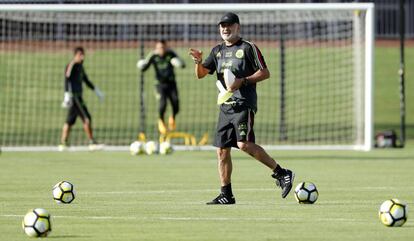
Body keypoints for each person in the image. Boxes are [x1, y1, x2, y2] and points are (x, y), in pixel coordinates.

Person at [189, 12, 294, 205]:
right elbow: (202, 74)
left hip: (243, 104)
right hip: (225, 106)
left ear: (238, 27)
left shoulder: (248, 48)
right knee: (221, 151)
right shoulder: (217, 50)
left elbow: (265, 72)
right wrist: (198, 61)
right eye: (222, 26)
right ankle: (226, 194)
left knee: (243, 144)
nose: (225, 29)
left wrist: (243, 81)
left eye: (229, 25)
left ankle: (281, 173)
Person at [59, 47, 104, 151]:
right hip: (74, 97)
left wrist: (97, 91)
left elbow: (86, 81)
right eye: (80, 55)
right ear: (75, 55)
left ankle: (63, 143)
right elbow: (67, 78)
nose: (82, 57)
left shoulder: (80, 67)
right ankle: (92, 142)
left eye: (83, 55)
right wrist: (66, 95)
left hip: (78, 96)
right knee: (87, 118)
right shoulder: (72, 65)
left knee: (69, 121)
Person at [137, 40, 185, 135]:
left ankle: (172, 117)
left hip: (171, 83)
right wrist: (141, 66)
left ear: (166, 47)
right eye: (159, 48)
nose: (161, 50)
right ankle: (161, 121)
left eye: (163, 47)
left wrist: (179, 63)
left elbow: (183, 65)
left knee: (176, 103)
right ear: (156, 48)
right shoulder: (153, 55)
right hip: (159, 84)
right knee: (162, 103)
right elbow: (145, 67)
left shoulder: (171, 53)